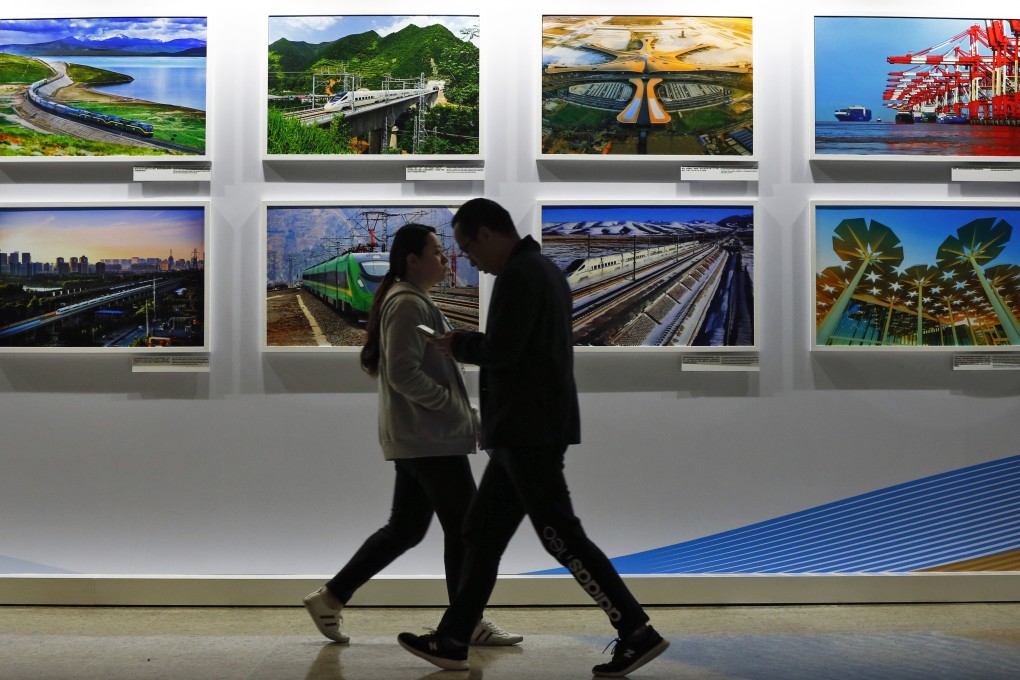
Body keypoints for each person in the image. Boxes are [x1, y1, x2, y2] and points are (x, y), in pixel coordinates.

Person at [397, 199, 669, 677]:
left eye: (466, 247)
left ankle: (636, 631)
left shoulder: (520, 277)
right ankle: (454, 638)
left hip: (530, 430)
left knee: (561, 536)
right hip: (522, 430)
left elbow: (504, 350)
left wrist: (457, 342)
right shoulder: (540, 269)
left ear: (486, 234)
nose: (469, 260)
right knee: (480, 535)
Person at [303, 223, 521, 648]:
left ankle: (330, 598)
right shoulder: (406, 304)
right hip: (430, 437)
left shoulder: (412, 299)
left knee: (406, 528)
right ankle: (467, 621)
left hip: (422, 435)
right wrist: (458, 410)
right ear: (412, 259)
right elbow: (403, 372)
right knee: (468, 531)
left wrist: (464, 413)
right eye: (437, 251)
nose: (445, 258)